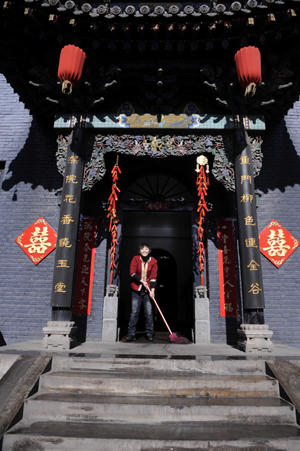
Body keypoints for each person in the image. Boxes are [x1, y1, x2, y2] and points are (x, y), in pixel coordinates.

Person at [127, 243, 157, 342]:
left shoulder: (153, 261)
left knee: (149, 312)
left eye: (146, 249)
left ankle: (149, 333)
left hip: (147, 291)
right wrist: (141, 281)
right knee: (134, 312)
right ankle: (131, 334)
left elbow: (153, 276)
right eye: (142, 249)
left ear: (149, 251)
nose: (144, 251)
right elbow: (132, 272)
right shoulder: (135, 259)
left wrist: (152, 290)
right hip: (136, 290)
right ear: (139, 251)